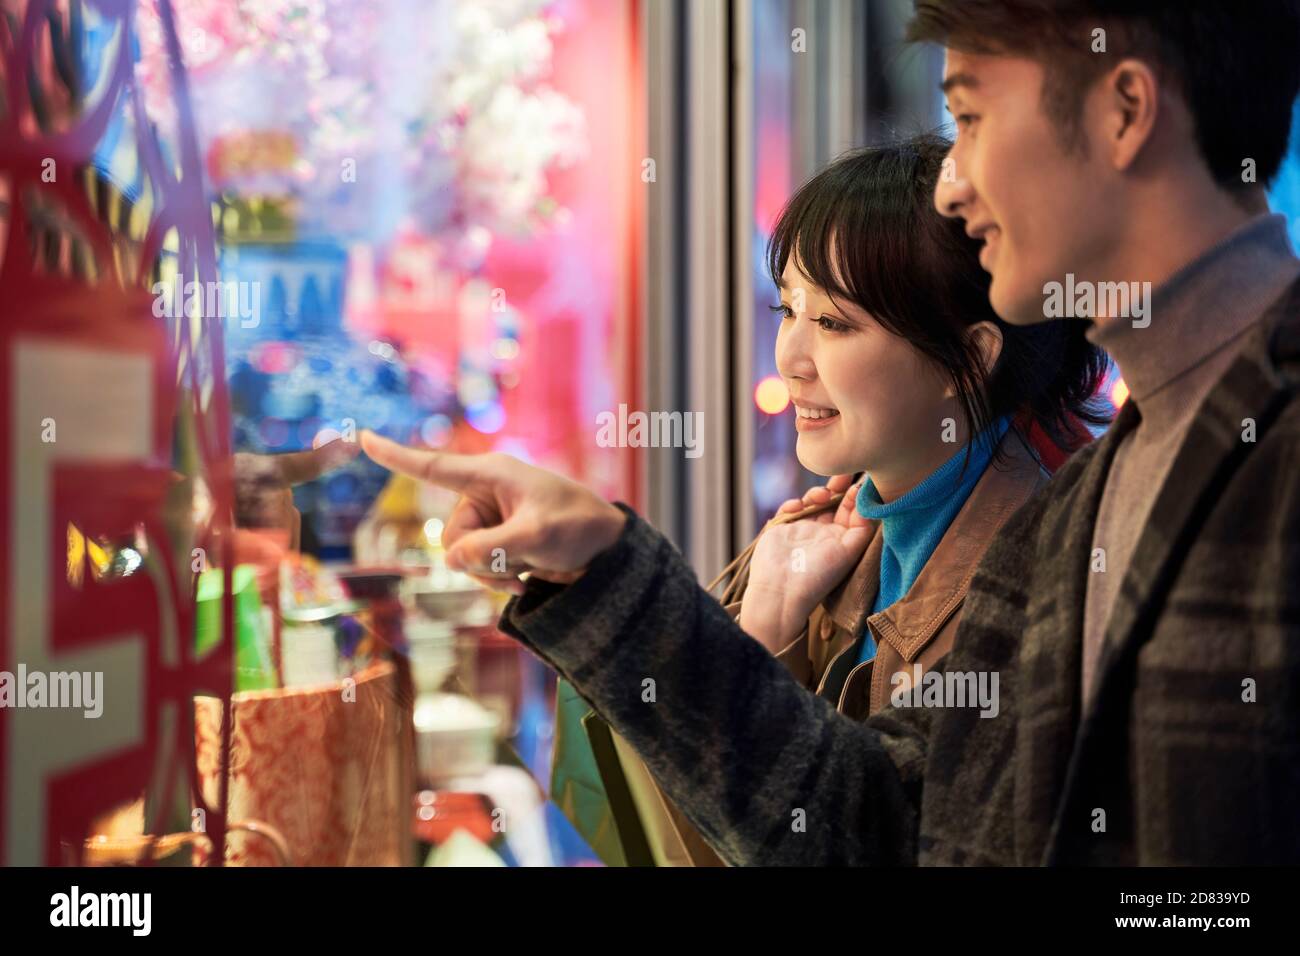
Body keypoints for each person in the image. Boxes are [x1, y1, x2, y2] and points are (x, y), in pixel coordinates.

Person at [363, 0, 1300, 865]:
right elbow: (886, 825)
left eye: (970, 118)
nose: (952, 187)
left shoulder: (1178, 467)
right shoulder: (1100, 492)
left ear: (1124, 111)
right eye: (790, 311)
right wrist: (601, 563)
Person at [549, 135, 1106, 866]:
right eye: (788, 309)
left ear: (968, 357)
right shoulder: (830, 536)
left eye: (835, 323)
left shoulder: (1039, 582)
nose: (790, 357)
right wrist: (767, 623)